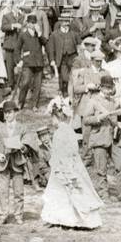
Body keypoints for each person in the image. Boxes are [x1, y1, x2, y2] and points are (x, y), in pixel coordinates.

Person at [41, 97, 104, 229]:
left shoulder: (60, 132)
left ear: (57, 117)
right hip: (70, 163)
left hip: (64, 164)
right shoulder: (69, 130)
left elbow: (61, 151)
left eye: (52, 118)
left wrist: (58, 163)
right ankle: (61, 218)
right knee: (61, 191)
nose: (52, 122)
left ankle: (71, 219)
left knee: (68, 190)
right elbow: (72, 149)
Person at [0, 99, 28, 224]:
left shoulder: (22, 128)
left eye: (10, 112)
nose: (7, 115)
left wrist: (22, 146)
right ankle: (3, 214)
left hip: (17, 161)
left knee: (19, 191)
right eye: (5, 113)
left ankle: (19, 215)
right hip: (3, 162)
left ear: (15, 113)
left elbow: (28, 145)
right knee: (2, 190)